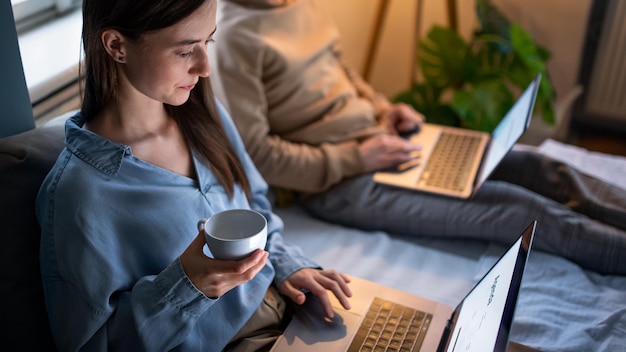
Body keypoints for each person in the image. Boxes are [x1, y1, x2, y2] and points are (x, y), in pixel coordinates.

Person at [209, 0, 626, 275]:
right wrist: (358, 158)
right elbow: (258, 155)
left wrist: (384, 108)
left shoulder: (301, 5)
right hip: (339, 184)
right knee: (519, 209)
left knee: (538, 167)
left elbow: (340, 71)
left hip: (387, 144)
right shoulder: (233, 39)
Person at [35, 0, 353, 351]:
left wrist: (287, 265)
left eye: (208, 43)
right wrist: (188, 284)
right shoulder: (79, 194)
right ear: (116, 46)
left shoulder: (203, 115)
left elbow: (256, 204)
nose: (205, 68)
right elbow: (94, 345)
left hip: (287, 309)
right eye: (186, 51)